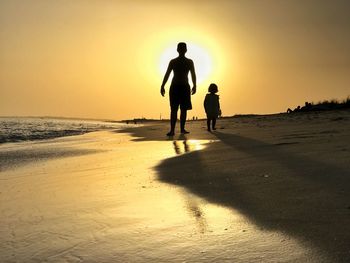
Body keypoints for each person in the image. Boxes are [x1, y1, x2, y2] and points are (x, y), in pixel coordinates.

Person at [160, 42, 197, 136]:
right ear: (185, 50)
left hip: (178, 87)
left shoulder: (177, 61)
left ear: (178, 50)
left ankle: (175, 130)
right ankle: (179, 129)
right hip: (181, 87)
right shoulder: (186, 61)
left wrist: (162, 85)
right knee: (179, 109)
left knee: (176, 109)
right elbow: (167, 74)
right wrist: (194, 85)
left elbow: (167, 74)